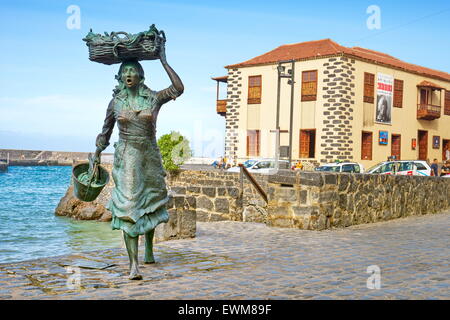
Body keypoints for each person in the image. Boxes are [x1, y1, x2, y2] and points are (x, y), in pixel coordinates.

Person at [94, 43, 184, 280]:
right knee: (129, 207)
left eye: (134, 71)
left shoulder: (153, 99)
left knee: (151, 202)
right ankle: (133, 264)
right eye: (125, 71)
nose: (129, 74)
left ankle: (150, 249)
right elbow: (105, 132)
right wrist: (96, 154)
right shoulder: (116, 103)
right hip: (127, 158)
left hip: (149, 156)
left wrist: (163, 59)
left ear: (141, 75)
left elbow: (178, 88)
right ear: (120, 77)